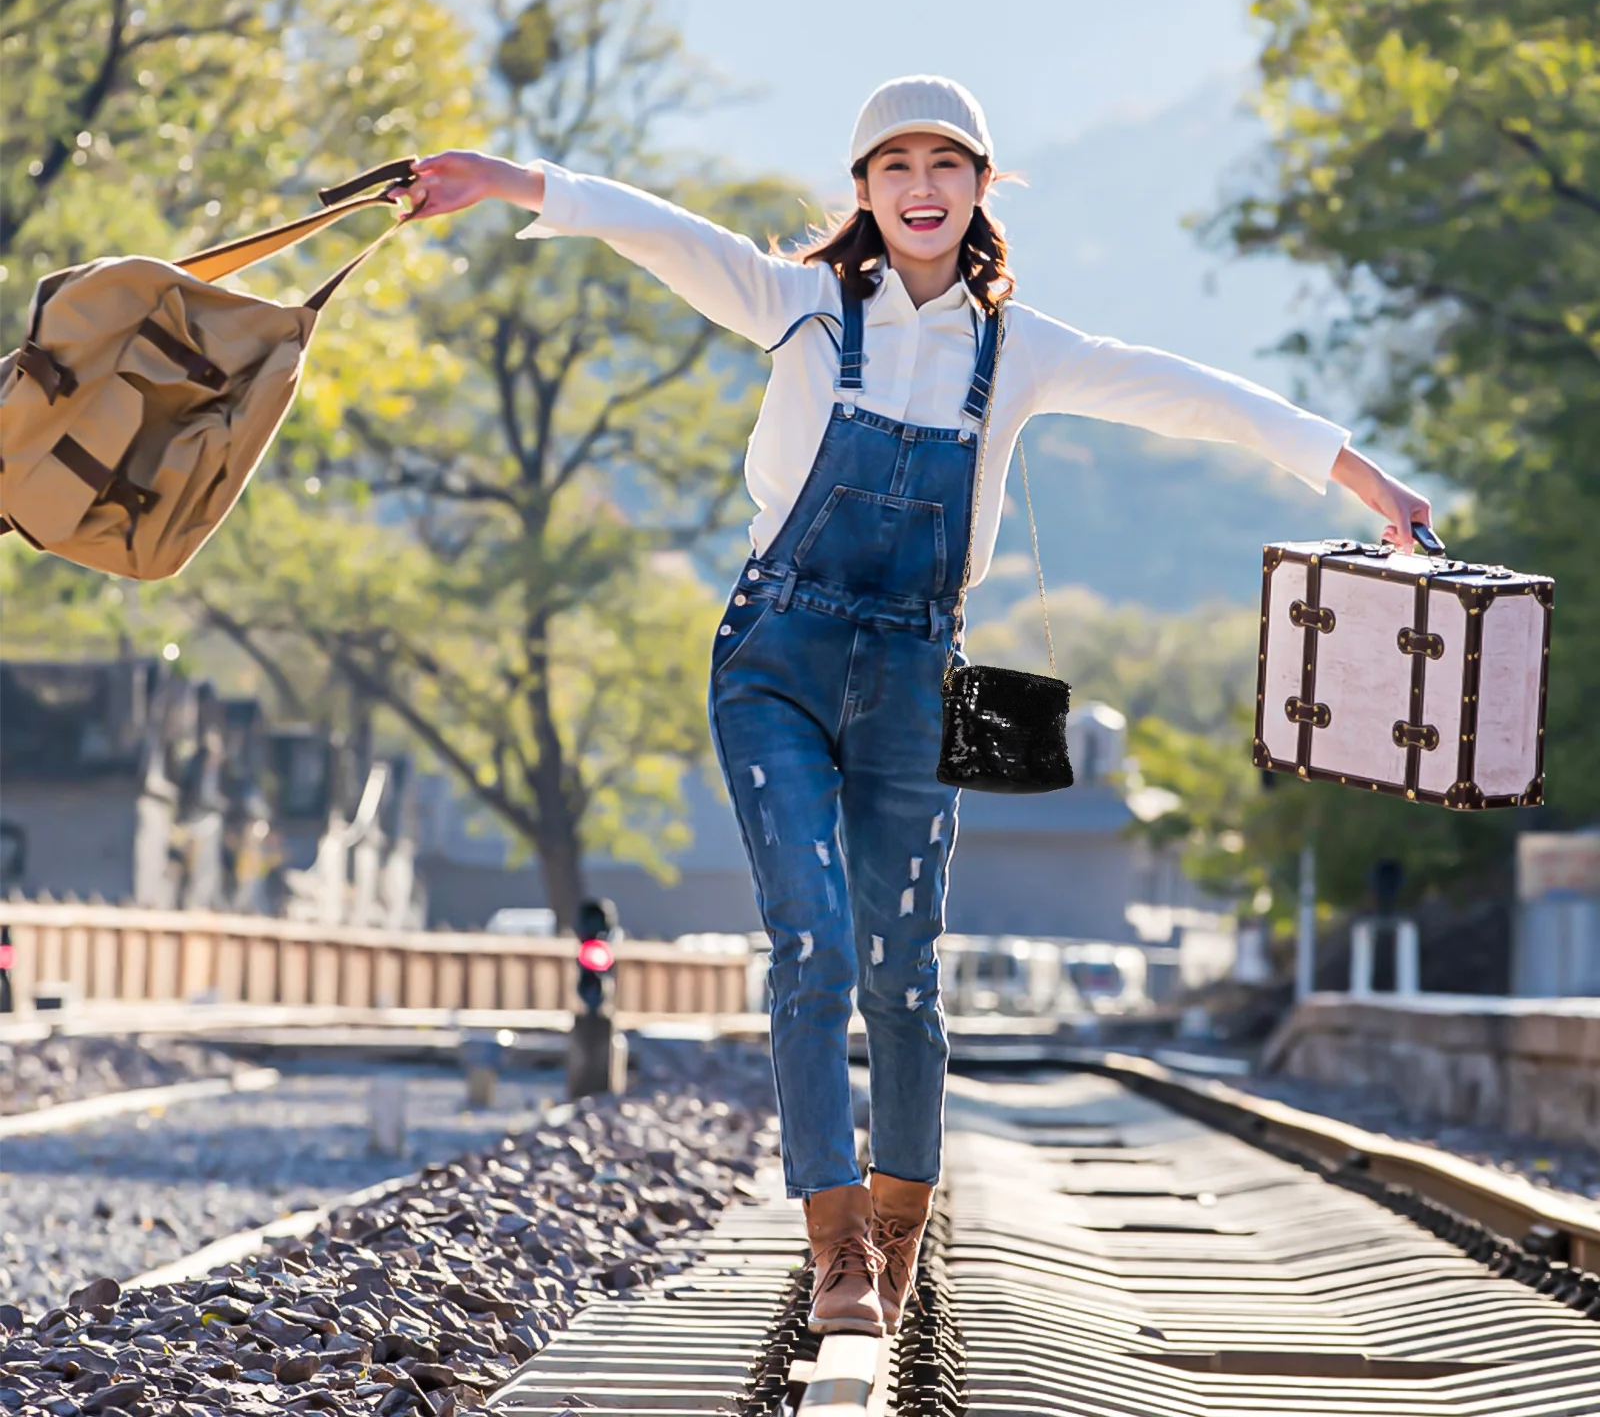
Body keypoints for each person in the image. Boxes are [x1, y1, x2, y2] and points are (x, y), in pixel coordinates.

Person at [402, 76, 1432, 1337]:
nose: (922, 189)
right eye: (895, 167)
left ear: (983, 187)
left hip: (913, 677)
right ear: (862, 190)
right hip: (773, 660)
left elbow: (1187, 391)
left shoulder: (1021, 348)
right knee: (812, 946)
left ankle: (900, 1230)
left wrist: (1353, 475)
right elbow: (656, 227)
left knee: (902, 974)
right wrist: (502, 180)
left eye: (947, 165)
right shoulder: (796, 304)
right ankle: (833, 1247)